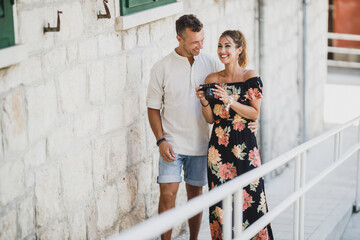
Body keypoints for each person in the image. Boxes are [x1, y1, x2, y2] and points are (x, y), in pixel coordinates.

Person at [146, 15, 258, 240]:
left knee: (195, 198)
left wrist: (253, 119)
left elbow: (237, 89)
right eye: (195, 42)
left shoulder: (211, 64)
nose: (201, 46)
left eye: (202, 40)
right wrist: (161, 140)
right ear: (179, 38)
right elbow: (152, 108)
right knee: (167, 194)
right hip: (171, 144)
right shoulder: (161, 67)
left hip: (202, 144)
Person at [195, 30, 273, 240]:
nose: (222, 50)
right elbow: (211, 119)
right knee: (221, 205)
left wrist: (229, 100)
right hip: (218, 149)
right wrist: (203, 101)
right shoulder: (212, 79)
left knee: (252, 198)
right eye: (220, 46)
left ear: (239, 50)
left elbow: (254, 113)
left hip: (246, 146)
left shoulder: (251, 77)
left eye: (227, 46)